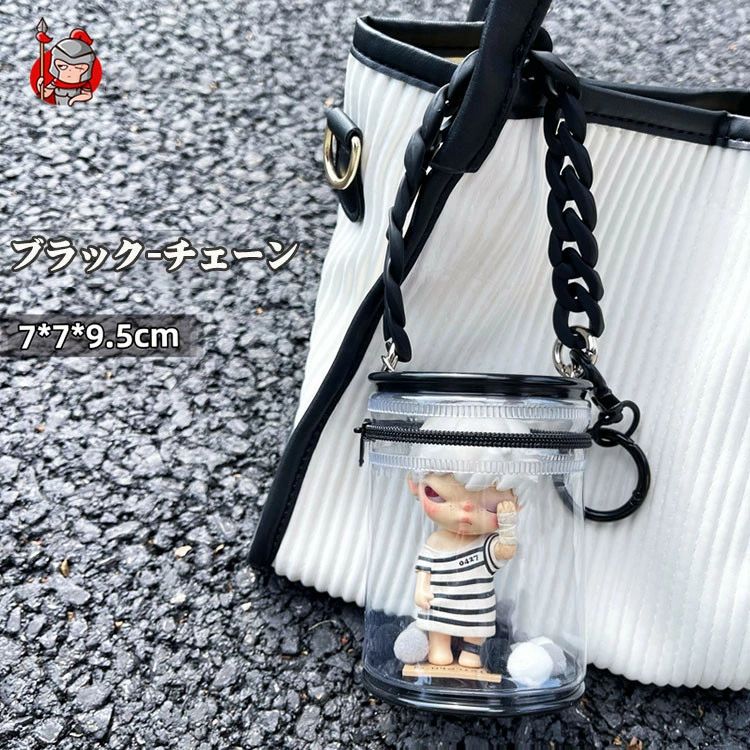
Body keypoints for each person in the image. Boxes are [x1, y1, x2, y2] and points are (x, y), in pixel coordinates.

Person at [406, 417, 526, 669]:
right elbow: (424, 569)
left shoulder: (486, 544)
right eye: (437, 495)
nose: (465, 512)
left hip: (475, 606)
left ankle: (472, 650)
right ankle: (438, 646)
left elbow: (506, 551)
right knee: (438, 638)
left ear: (518, 506)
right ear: (414, 485)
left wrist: (507, 525)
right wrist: (421, 590)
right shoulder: (435, 541)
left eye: (491, 506)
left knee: (475, 636)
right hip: (439, 603)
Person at [37, 29, 96, 106]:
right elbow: (45, 94)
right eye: (62, 66)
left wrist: (74, 99)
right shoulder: (56, 81)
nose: (70, 72)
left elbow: (88, 95)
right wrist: (40, 86)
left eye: (78, 68)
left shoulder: (84, 84)